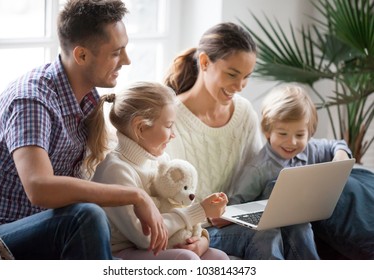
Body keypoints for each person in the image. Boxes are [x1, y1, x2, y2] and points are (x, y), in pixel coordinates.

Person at [0, 0, 167, 260]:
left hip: (46, 226)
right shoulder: (32, 100)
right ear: (81, 55)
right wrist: (135, 196)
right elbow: (40, 187)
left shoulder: (87, 99)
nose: (127, 60)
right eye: (116, 52)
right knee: (86, 215)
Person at [164, 22, 319, 259]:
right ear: (204, 62)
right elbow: (165, 200)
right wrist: (203, 229)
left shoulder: (244, 112)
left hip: (237, 217)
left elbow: (261, 174)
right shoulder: (170, 119)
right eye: (232, 75)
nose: (239, 87)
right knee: (264, 232)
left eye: (246, 77)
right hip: (201, 229)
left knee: (298, 224)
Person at [88, 81, 229, 260]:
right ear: (140, 128)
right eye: (169, 125)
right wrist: (200, 212)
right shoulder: (116, 171)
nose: (173, 134)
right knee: (186, 260)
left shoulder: (160, 160)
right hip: (122, 251)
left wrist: (201, 240)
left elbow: (176, 204)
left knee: (220, 258)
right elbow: (146, 238)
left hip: (160, 243)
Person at [229, 84, 352, 204]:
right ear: (267, 132)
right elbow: (237, 202)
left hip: (307, 216)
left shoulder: (311, 148)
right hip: (271, 221)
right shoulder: (258, 169)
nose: (292, 142)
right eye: (283, 134)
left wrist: (341, 155)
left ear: (309, 134)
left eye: (299, 135)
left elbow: (336, 145)